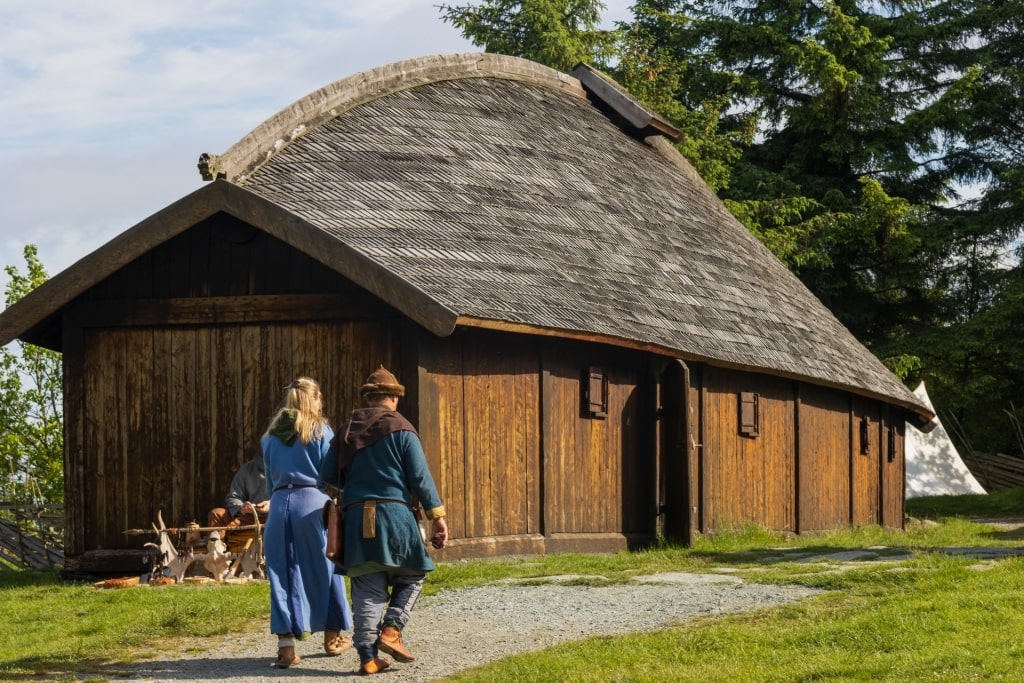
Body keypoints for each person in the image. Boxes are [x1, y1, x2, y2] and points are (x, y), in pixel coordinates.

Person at [321, 365, 448, 676]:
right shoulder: (402, 428)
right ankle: (392, 630)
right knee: (414, 573)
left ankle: (367, 657)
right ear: (393, 398)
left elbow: (327, 476)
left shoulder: (346, 430)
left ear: (367, 399)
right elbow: (419, 476)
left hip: (355, 519)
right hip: (395, 517)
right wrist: (437, 516)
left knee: (367, 587)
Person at [261, 377, 354, 668]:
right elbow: (330, 474)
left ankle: (286, 649)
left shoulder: (270, 436)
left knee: (281, 573)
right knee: (327, 567)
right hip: (312, 503)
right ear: (313, 398)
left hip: (278, 506)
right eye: (319, 397)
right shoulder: (319, 431)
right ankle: (332, 638)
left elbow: (269, 479)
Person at [207, 453, 269, 530]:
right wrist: (241, 508)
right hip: (250, 518)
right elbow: (233, 497)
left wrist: (272, 504)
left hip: (277, 518)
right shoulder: (247, 469)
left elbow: (288, 496)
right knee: (216, 514)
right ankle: (215, 541)